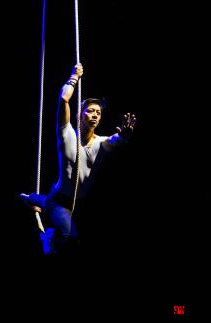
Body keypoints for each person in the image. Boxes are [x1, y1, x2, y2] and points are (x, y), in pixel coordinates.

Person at [23, 63, 136, 255]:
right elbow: (64, 99)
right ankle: (47, 236)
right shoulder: (67, 135)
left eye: (98, 113)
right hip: (60, 201)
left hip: (78, 202)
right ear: (80, 114)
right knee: (70, 239)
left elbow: (114, 141)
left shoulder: (100, 143)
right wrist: (74, 77)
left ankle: (35, 199)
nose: (95, 115)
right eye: (90, 110)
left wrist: (124, 137)